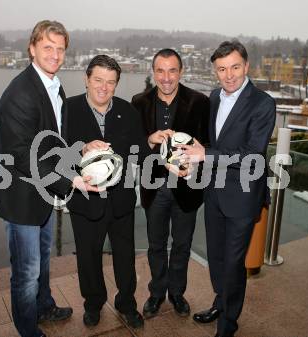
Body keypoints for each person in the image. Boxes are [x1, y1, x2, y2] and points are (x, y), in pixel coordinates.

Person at [0, 20, 98, 337]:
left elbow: (52, 142)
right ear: (32, 48)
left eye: (60, 48)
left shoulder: (55, 86)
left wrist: (79, 150)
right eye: (48, 47)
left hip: (43, 192)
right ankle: (28, 329)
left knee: (42, 262)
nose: (55, 54)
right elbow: (23, 156)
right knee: (26, 270)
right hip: (22, 196)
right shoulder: (19, 93)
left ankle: (45, 306)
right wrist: (71, 181)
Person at [180, 40, 276, 337]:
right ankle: (221, 303)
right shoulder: (214, 97)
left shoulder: (263, 103)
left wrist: (204, 155)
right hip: (215, 192)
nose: (229, 74)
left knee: (234, 264)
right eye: (222, 69)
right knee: (217, 258)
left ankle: (228, 324)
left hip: (244, 197)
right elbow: (215, 144)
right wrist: (197, 152)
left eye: (235, 67)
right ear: (215, 72)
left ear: (246, 66)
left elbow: (252, 154)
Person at [66, 55, 170, 329]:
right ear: (87, 79)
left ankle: (127, 304)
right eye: (98, 80)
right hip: (84, 200)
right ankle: (93, 304)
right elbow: (55, 151)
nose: (104, 87)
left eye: (110, 82)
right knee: (88, 259)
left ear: (116, 85)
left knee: (125, 258)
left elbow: (141, 152)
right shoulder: (68, 109)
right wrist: (81, 147)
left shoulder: (127, 110)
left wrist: (154, 142)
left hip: (121, 201)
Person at [131, 49, 209, 318]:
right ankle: (156, 294)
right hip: (153, 188)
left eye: (172, 70)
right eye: (160, 71)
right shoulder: (138, 102)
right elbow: (132, 147)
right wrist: (149, 140)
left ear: (181, 71)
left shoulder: (199, 101)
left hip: (188, 187)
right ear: (153, 72)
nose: (166, 77)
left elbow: (208, 145)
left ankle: (177, 293)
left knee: (182, 245)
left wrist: (195, 157)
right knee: (155, 245)